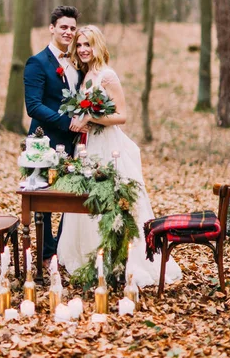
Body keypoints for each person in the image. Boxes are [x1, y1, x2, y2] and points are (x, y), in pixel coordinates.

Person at [57, 25, 182, 287]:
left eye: (87, 44)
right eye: (79, 45)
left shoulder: (107, 75)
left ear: (97, 45)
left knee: (114, 201)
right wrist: (81, 120)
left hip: (109, 146)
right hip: (89, 146)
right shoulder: (86, 75)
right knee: (88, 202)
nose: (82, 50)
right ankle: (93, 259)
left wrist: (92, 117)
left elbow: (121, 116)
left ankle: (121, 258)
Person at [24, 5, 85, 262]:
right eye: (64, 27)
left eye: (72, 28)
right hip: (44, 143)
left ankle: (63, 250)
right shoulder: (37, 63)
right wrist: (67, 122)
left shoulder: (78, 63)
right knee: (45, 206)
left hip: (74, 143)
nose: (69, 32)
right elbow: (33, 106)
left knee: (70, 199)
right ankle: (47, 254)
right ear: (52, 29)